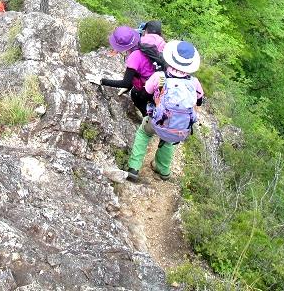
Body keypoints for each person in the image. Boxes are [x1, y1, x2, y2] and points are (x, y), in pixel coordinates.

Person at [125, 39, 204, 182]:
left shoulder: (160, 77)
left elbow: (145, 94)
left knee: (144, 132)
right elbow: (199, 100)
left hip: (157, 121)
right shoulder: (194, 82)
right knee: (168, 140)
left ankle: (134, 167)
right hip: (179, 127)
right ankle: (164, 170)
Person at [85, 25, 166, 116]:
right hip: (160, 80)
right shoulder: (143, 42)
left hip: (149, 87)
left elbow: (125, 83)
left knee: (136, 96)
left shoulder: (134, 56)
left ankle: (147, 118)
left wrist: (101, 81)